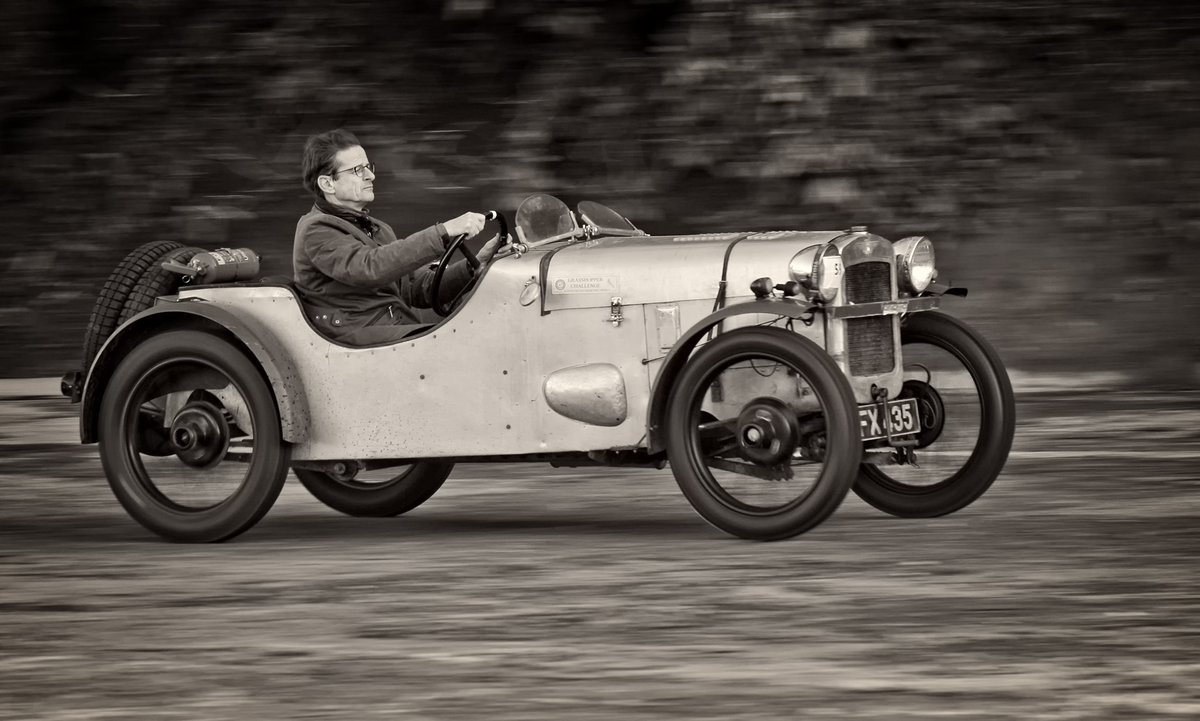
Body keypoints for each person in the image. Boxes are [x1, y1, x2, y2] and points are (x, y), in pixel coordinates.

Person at [293, 128, 501, 344]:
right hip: (355, 336)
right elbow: (369, 268)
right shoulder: (316, 230)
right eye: (357, 170)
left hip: (391, 325)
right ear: (328, 184)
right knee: (466, 342)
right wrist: (444, 231)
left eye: (368, 167)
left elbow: (415, 288)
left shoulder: (376, 228)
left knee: (488, 320)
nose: (371, 175)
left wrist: (473, 266)